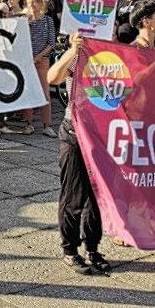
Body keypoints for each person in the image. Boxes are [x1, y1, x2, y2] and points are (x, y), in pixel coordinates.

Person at [48, 32, 111, 275]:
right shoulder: (79, 54)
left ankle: (92, 247)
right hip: (75, 134)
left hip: (102, 136)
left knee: (97, 198)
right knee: (74, 195)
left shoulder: (114, 57)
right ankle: (70, 250)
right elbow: (52, 77)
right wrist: (73, 51)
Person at [21, 0, 56, 137]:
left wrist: (39, 57)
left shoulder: (48, 21)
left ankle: (46, 125)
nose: (31, 5)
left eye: (34, 2)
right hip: (28, 61)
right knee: (28, 93)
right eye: (29, 2)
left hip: (42, 61)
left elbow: (51, 43)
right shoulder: (24, 21)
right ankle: (28, 124)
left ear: (41, 3)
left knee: (44, 93)